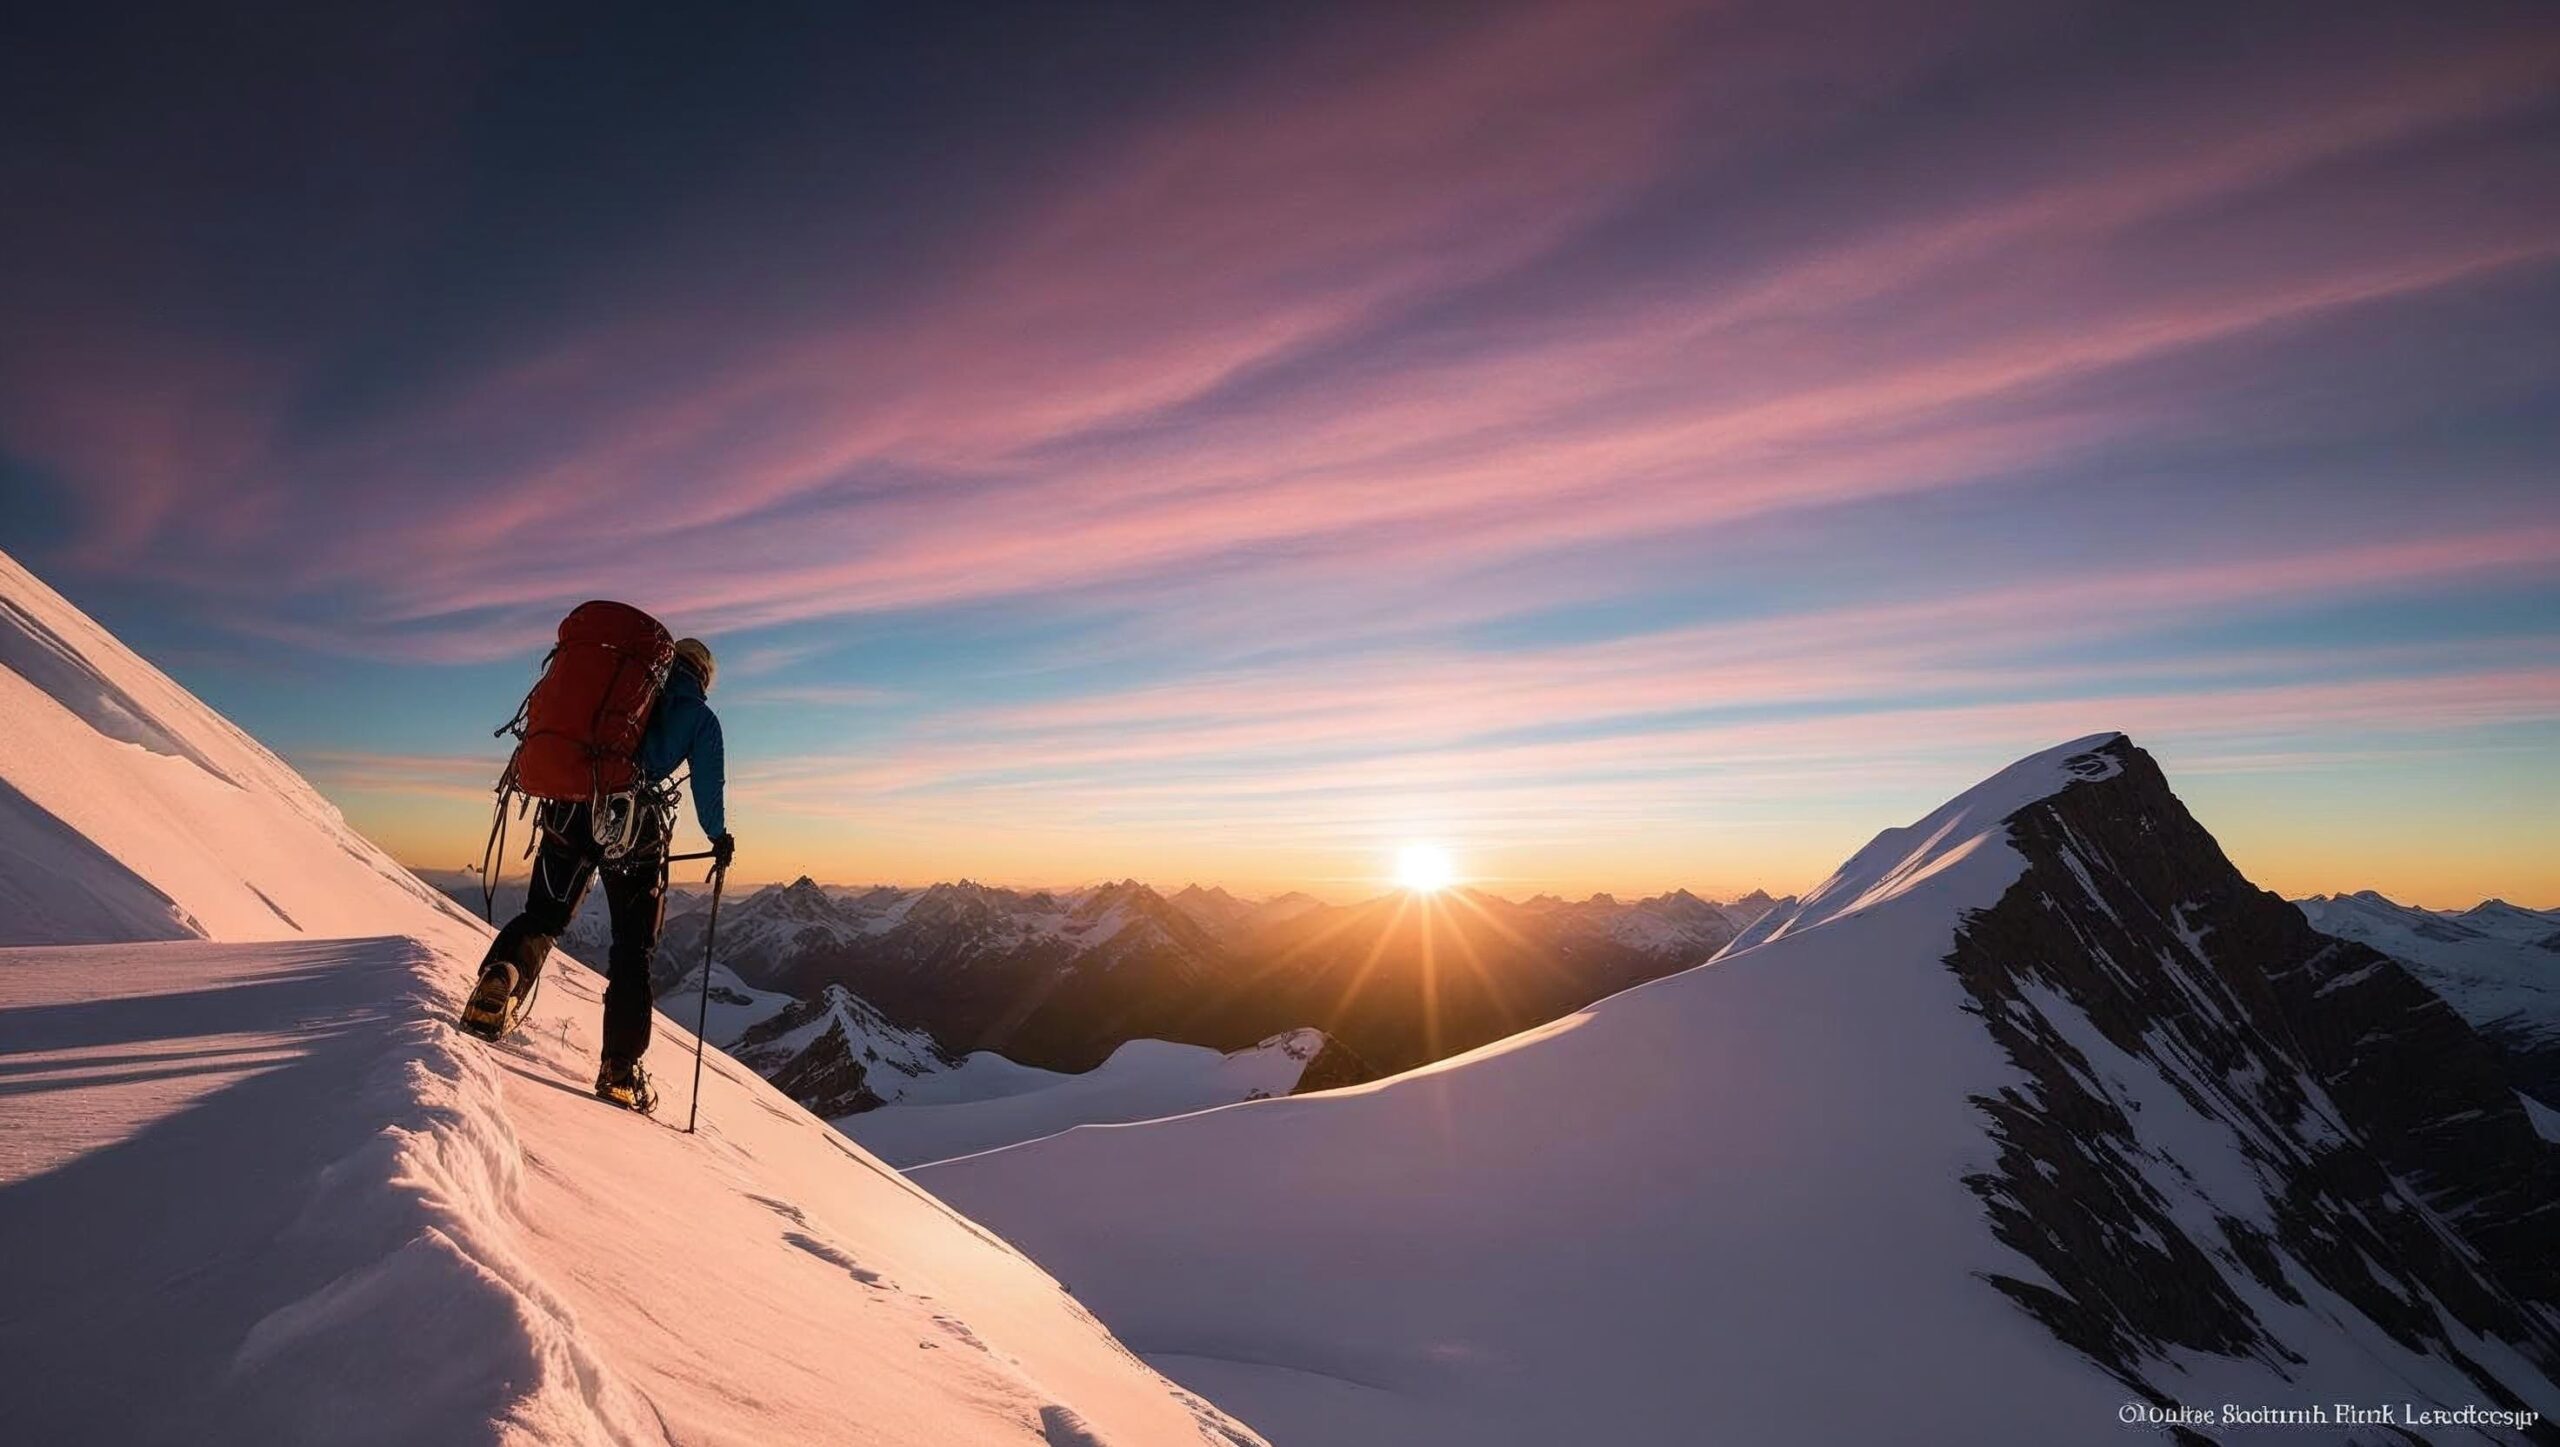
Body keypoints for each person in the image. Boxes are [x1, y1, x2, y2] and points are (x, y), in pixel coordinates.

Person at [462, 636, 734, 1111]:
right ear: (704, 677)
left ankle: (502, 978)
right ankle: (620, 1069)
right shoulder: (699, 717)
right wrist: (718, 837)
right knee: (633, 949)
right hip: (634, 826)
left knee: (543, 915)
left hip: (568, 809)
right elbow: (709, 788)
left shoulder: (625, 688)